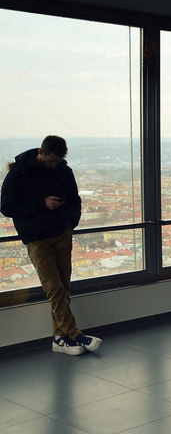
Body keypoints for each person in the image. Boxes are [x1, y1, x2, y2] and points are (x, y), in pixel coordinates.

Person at [1, 136, 102, 355]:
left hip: (61, 234)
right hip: (37, 238)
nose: (54, 165)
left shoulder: (64, 171)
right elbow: (7, 207)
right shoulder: (19, 173)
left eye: (58, 161)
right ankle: (75, 335)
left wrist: (69, 223)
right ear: (41, 152)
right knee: (55, 288)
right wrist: (42, 204)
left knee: (62, 288)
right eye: (51, 161)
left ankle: (59, 340)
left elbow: (75, 201)